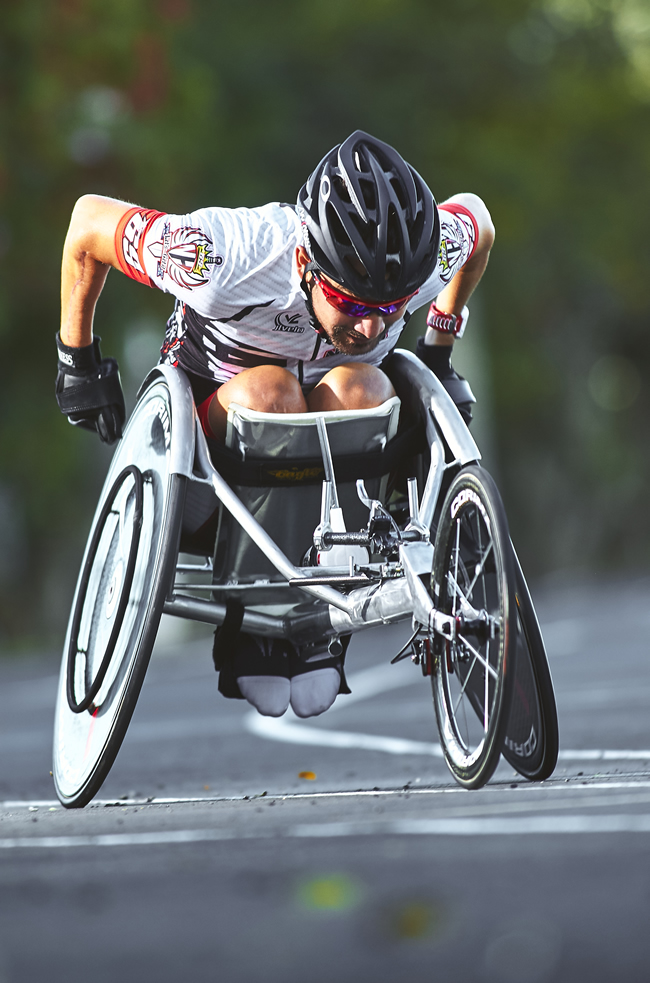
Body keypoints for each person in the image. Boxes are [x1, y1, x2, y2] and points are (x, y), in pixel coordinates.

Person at [57, 129, 495, 719]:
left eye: (389, 310)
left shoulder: (420, 260)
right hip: (210, 458)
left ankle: (318, 605)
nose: (371, 328)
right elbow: (88, 223)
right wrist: (77, 359)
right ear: (305, 265)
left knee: (365, 386)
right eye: (354, 305)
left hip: (330, 466)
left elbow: (478, 223)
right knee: (274, 391)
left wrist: (439, 346)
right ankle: (256, 617)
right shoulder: (217, 257)